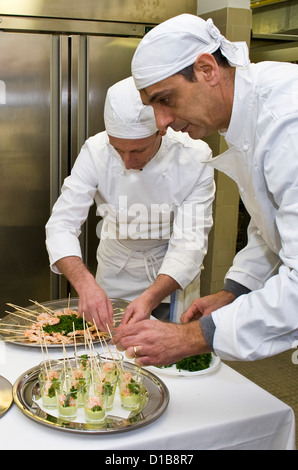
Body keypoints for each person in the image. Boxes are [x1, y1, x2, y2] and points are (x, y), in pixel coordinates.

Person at [112, 14, 298, 364]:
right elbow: (270, 225)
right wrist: (235, 291)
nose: (162, 122)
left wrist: (194, 336)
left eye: (165, 100)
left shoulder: (287, 124)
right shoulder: (247, 115)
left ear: (207, 70)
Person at [45, 76, 215, 333]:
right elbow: (62, 224)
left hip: (169, 275)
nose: (127, 162)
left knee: (164, 354)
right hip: (115, 271)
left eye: (137, 151)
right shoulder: (95, 151)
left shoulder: (194, 158)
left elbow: (189, 244)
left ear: (161, 130)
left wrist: (150, 297)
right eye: (118, 149)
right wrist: (85, 284)